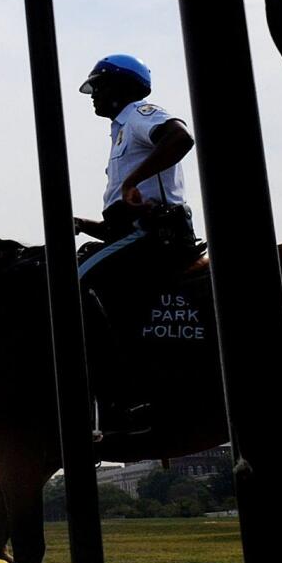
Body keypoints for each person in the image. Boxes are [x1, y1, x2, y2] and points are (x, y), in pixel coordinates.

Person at [73, 53, 197, 434]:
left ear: (121, 86)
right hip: (134, 235)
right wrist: (83, 224)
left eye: (99, 86)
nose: (93, 95)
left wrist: (131, 182)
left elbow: (180, 138)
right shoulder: (119, 132)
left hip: (158, 235)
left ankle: (120, 397)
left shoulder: (140, 114)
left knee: (77, 281)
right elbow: (119, 225)